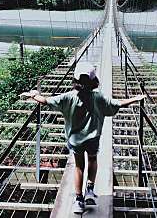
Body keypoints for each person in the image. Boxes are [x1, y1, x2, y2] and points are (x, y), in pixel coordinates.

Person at [21, 61, 144, 214]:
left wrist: (34, 95)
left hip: (75, 140)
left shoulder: (68, 97)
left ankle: (79, 200)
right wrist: (136, 98)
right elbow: (117, 104)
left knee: (79, 167)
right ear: (94, 81)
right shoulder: (98, 97)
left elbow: (47, 101)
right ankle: (90, 190)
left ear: (75, 81)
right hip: (93, 139)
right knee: (92, 160)